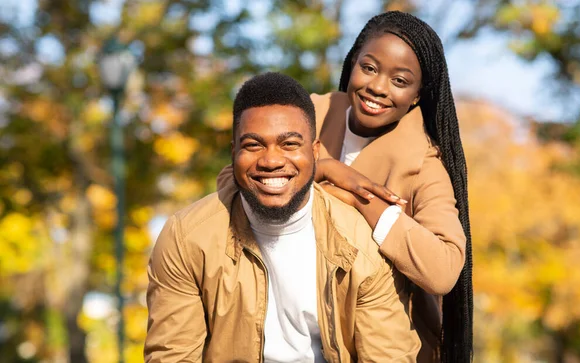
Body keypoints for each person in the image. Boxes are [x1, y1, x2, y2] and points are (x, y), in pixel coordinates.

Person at [213, 10, 472, 363]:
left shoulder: (424, 163)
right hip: (276, 322)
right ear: (352, 65)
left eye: (399, 80)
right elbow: (231, 180)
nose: (378, 87)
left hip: (369, 339)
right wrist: (326, 169)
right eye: (369, 67)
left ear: (416, 95)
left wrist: (357, 198)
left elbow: (443, 270)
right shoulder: (312, 112)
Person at [144, 72, 420, 362]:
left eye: (289, 144)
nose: (271, 160)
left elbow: (388, 356)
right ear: (234, 152)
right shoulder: (187, 237)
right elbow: (172, 356)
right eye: (253, 145)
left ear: (315, 153)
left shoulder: (361, 243)